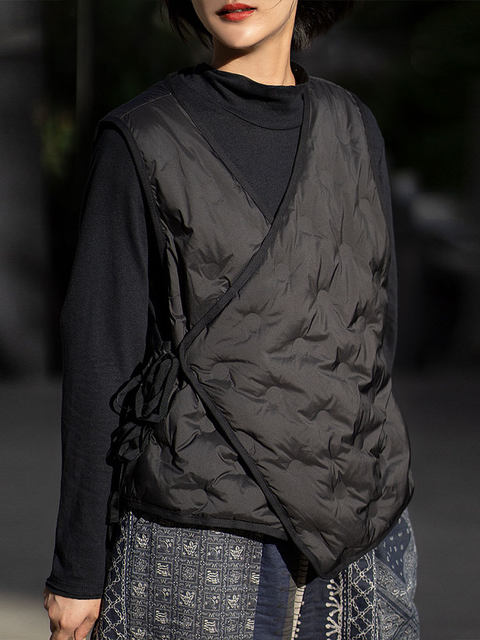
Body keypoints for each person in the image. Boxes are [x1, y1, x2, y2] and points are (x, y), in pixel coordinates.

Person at [44, 1, 420, 638]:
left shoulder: (353, 126)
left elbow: (372, 331)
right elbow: (99, 357)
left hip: (360, 536)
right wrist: (79, 570)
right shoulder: (142, 137)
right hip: (198, 541)